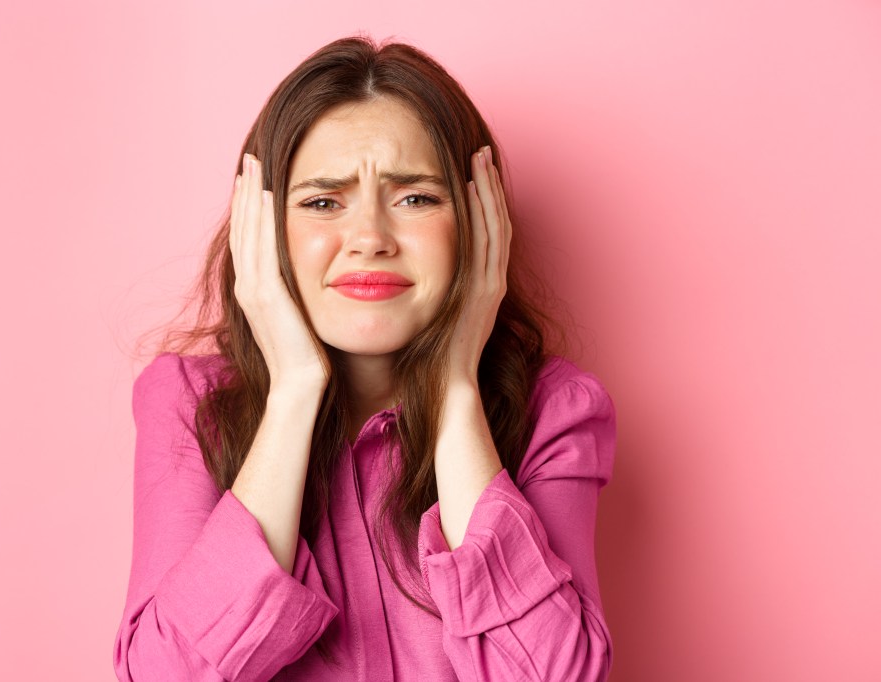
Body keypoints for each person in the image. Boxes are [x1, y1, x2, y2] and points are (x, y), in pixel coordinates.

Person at [113, 35, 616, 682]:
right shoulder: (186, 402)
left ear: (478, 220)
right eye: (324, 202)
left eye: (416, 198)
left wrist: (456, 389)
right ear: (261, 230)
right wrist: (294, 391)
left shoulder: (559, 411)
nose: (371, 239)